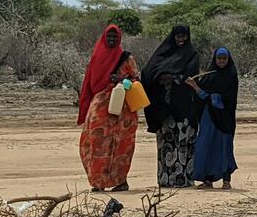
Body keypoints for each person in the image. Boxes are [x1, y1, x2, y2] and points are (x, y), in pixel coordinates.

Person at [77, 24, 139, 192]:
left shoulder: (126, 58)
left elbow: (137, 81)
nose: (112, 40)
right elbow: (90, 82)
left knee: (122, 144)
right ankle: (98, 181)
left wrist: (121, 79)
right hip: (100, 105)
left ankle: (120, 181)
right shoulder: (97, 56)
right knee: (95, 142)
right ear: (104, 37)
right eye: (109, 37)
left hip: (123, 108)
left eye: (115, 37)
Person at [141, 24, 201, 188]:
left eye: (183, 36)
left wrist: (174, 78)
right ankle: (165, 179)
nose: (181, 39)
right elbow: (147, 73)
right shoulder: (163, 53)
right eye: (178, 36)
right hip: (164, 109)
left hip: (184, 109)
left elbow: (190, 76)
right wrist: (161, 78)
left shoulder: (192, 54)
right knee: (166, 143)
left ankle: (183, 179)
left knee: (182, 142)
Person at [186, 47, 238, 190]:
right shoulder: (209, 76)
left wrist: (214, 97)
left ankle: (226, 180)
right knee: (206, 145)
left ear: (228, 59)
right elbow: (202, 95)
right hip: (209, 116)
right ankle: (207, 180)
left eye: (224, 58)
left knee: (224, 146)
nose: (221, 61)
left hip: (225, 118)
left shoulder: (231, 75)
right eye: (219, 58)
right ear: (215, 59)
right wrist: (194, 86)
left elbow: (231, 97)